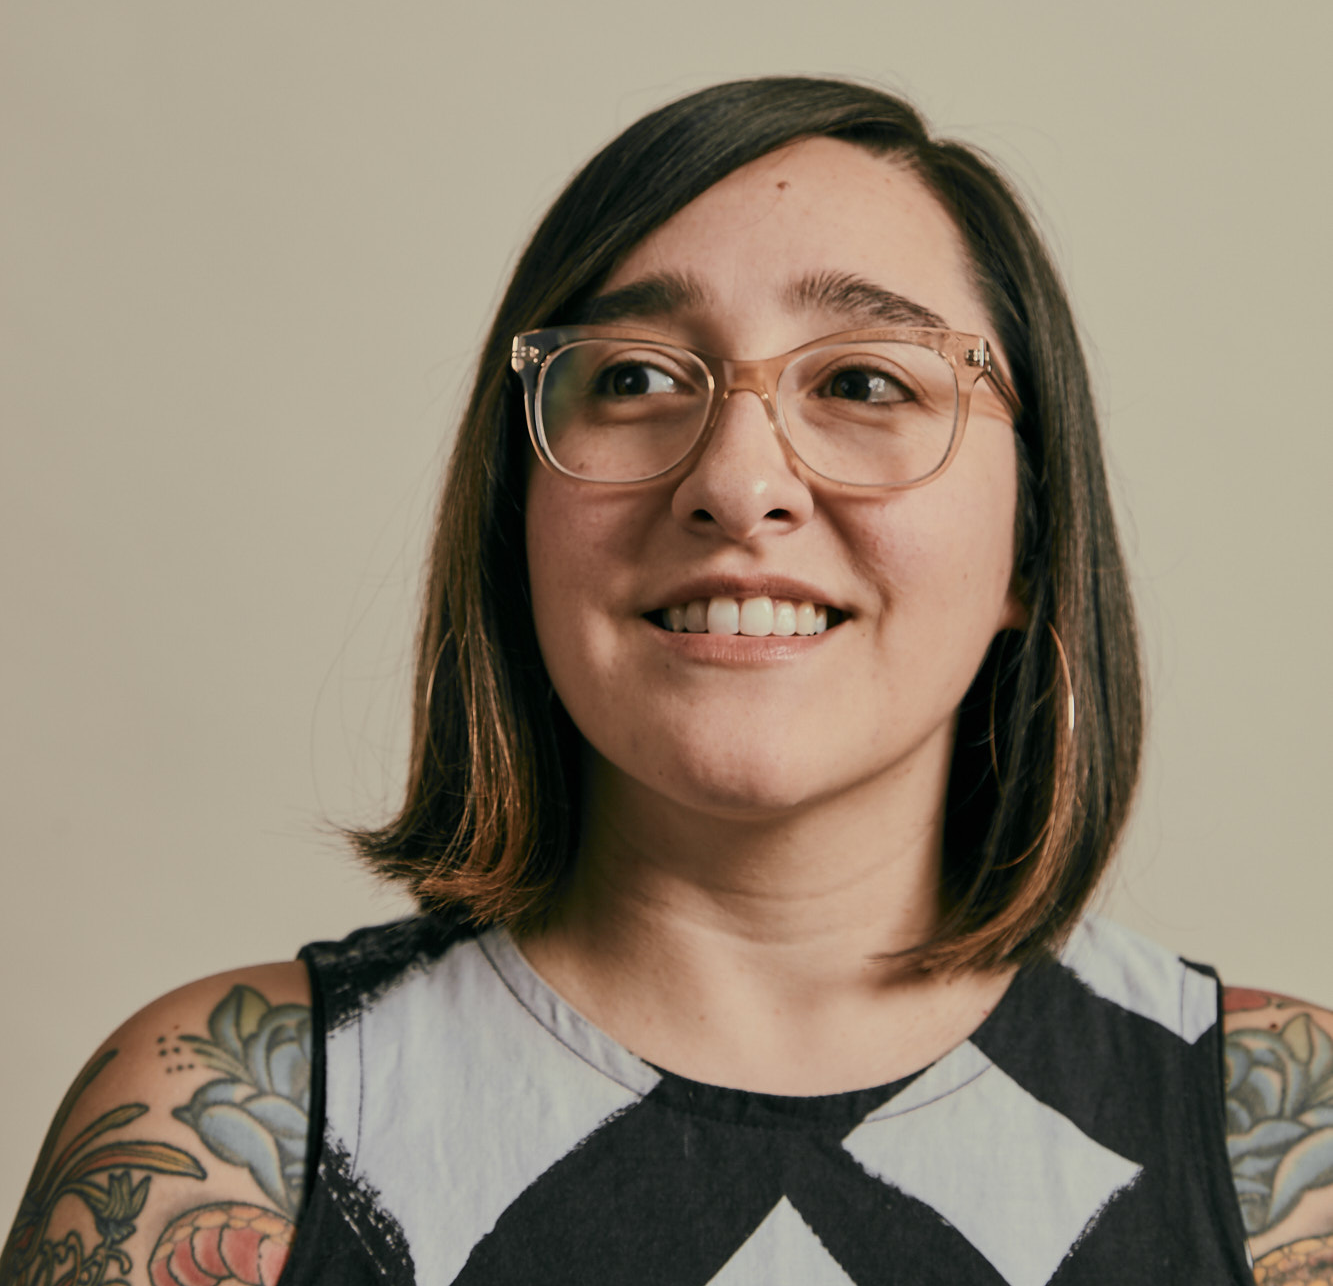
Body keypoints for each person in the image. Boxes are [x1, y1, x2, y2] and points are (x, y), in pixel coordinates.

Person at [3, 76, 1330, 1286]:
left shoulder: (1282, 1155)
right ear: (513, 506)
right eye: (633, 377)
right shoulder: (228, 1136)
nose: (736, 483)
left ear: (1034, 545)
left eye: (865, 379)